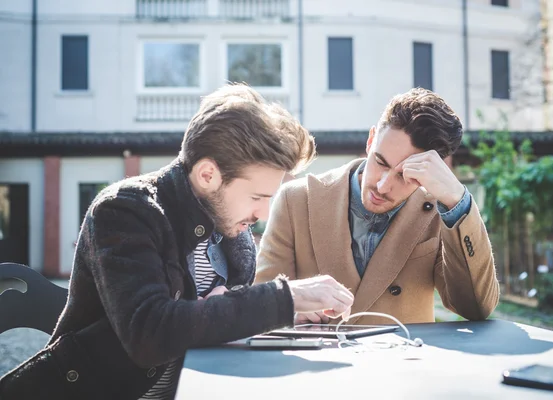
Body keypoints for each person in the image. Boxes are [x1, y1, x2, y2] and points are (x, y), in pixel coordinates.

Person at [0, 85, 353, 400]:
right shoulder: (125, 210)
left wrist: (289, 315)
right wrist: (285, 297)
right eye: (257, 197)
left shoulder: (233, 231)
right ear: (207, 175)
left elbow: (214, 321)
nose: (262, 213)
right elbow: (150, 333)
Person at [255, 88, 499, 326]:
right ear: (371, 140)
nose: (383, 186)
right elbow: (262, 302)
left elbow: (476, 308)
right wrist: (288, 313)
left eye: (405, 175)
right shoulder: (296, 200)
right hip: (323, 362)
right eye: (380, 162)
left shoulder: (439, 212)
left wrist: (457, 201)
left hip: (404, 363)